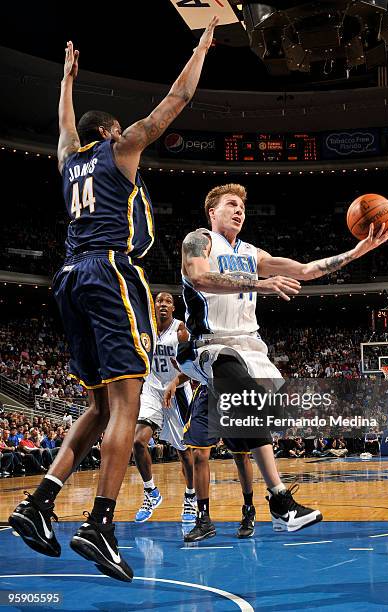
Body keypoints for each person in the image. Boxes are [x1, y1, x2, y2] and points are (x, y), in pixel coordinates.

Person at [9, 17, 218, 584]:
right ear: (111, 132)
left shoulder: (67, 163)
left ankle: (36, 504)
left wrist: (65, 83)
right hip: (109, 273)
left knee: (100, 406)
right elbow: (177, 99)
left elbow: (62, 135)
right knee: (126, 406)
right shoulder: (118, 149)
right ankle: (100, 524)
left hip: (68, 280)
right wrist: (201, 49)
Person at [178, 183, 388, 537]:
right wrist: (260, 285)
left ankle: (262, 492)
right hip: (209, 344)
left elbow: (306, 270)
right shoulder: (198, 240)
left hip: (250, 347)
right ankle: (279, 500)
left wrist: (357, 251)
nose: (239, 210)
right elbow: (198, 277)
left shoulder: (250, 252)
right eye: (231, 204)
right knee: (246, 395)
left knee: (254, 422)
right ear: (212, 212)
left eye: (242, 206)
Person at [133, 293, 196, 524]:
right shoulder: (145, 328)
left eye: (168, 301)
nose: (163, 304)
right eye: (159, 301)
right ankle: (151, 492)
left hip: (178, 390)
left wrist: (176, 379)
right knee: (138, 442)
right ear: (154, 305)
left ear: (173, 307)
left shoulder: (181, 330)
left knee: (184, 451)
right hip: (152, 388)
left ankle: (191, 496)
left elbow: (191, 365)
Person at [182, 385, 257, 541]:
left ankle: (249, 509)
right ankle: (204, 519)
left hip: (233, 391)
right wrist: (176, 380)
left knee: (240, 456)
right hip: (206, 393)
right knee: (198, 453)